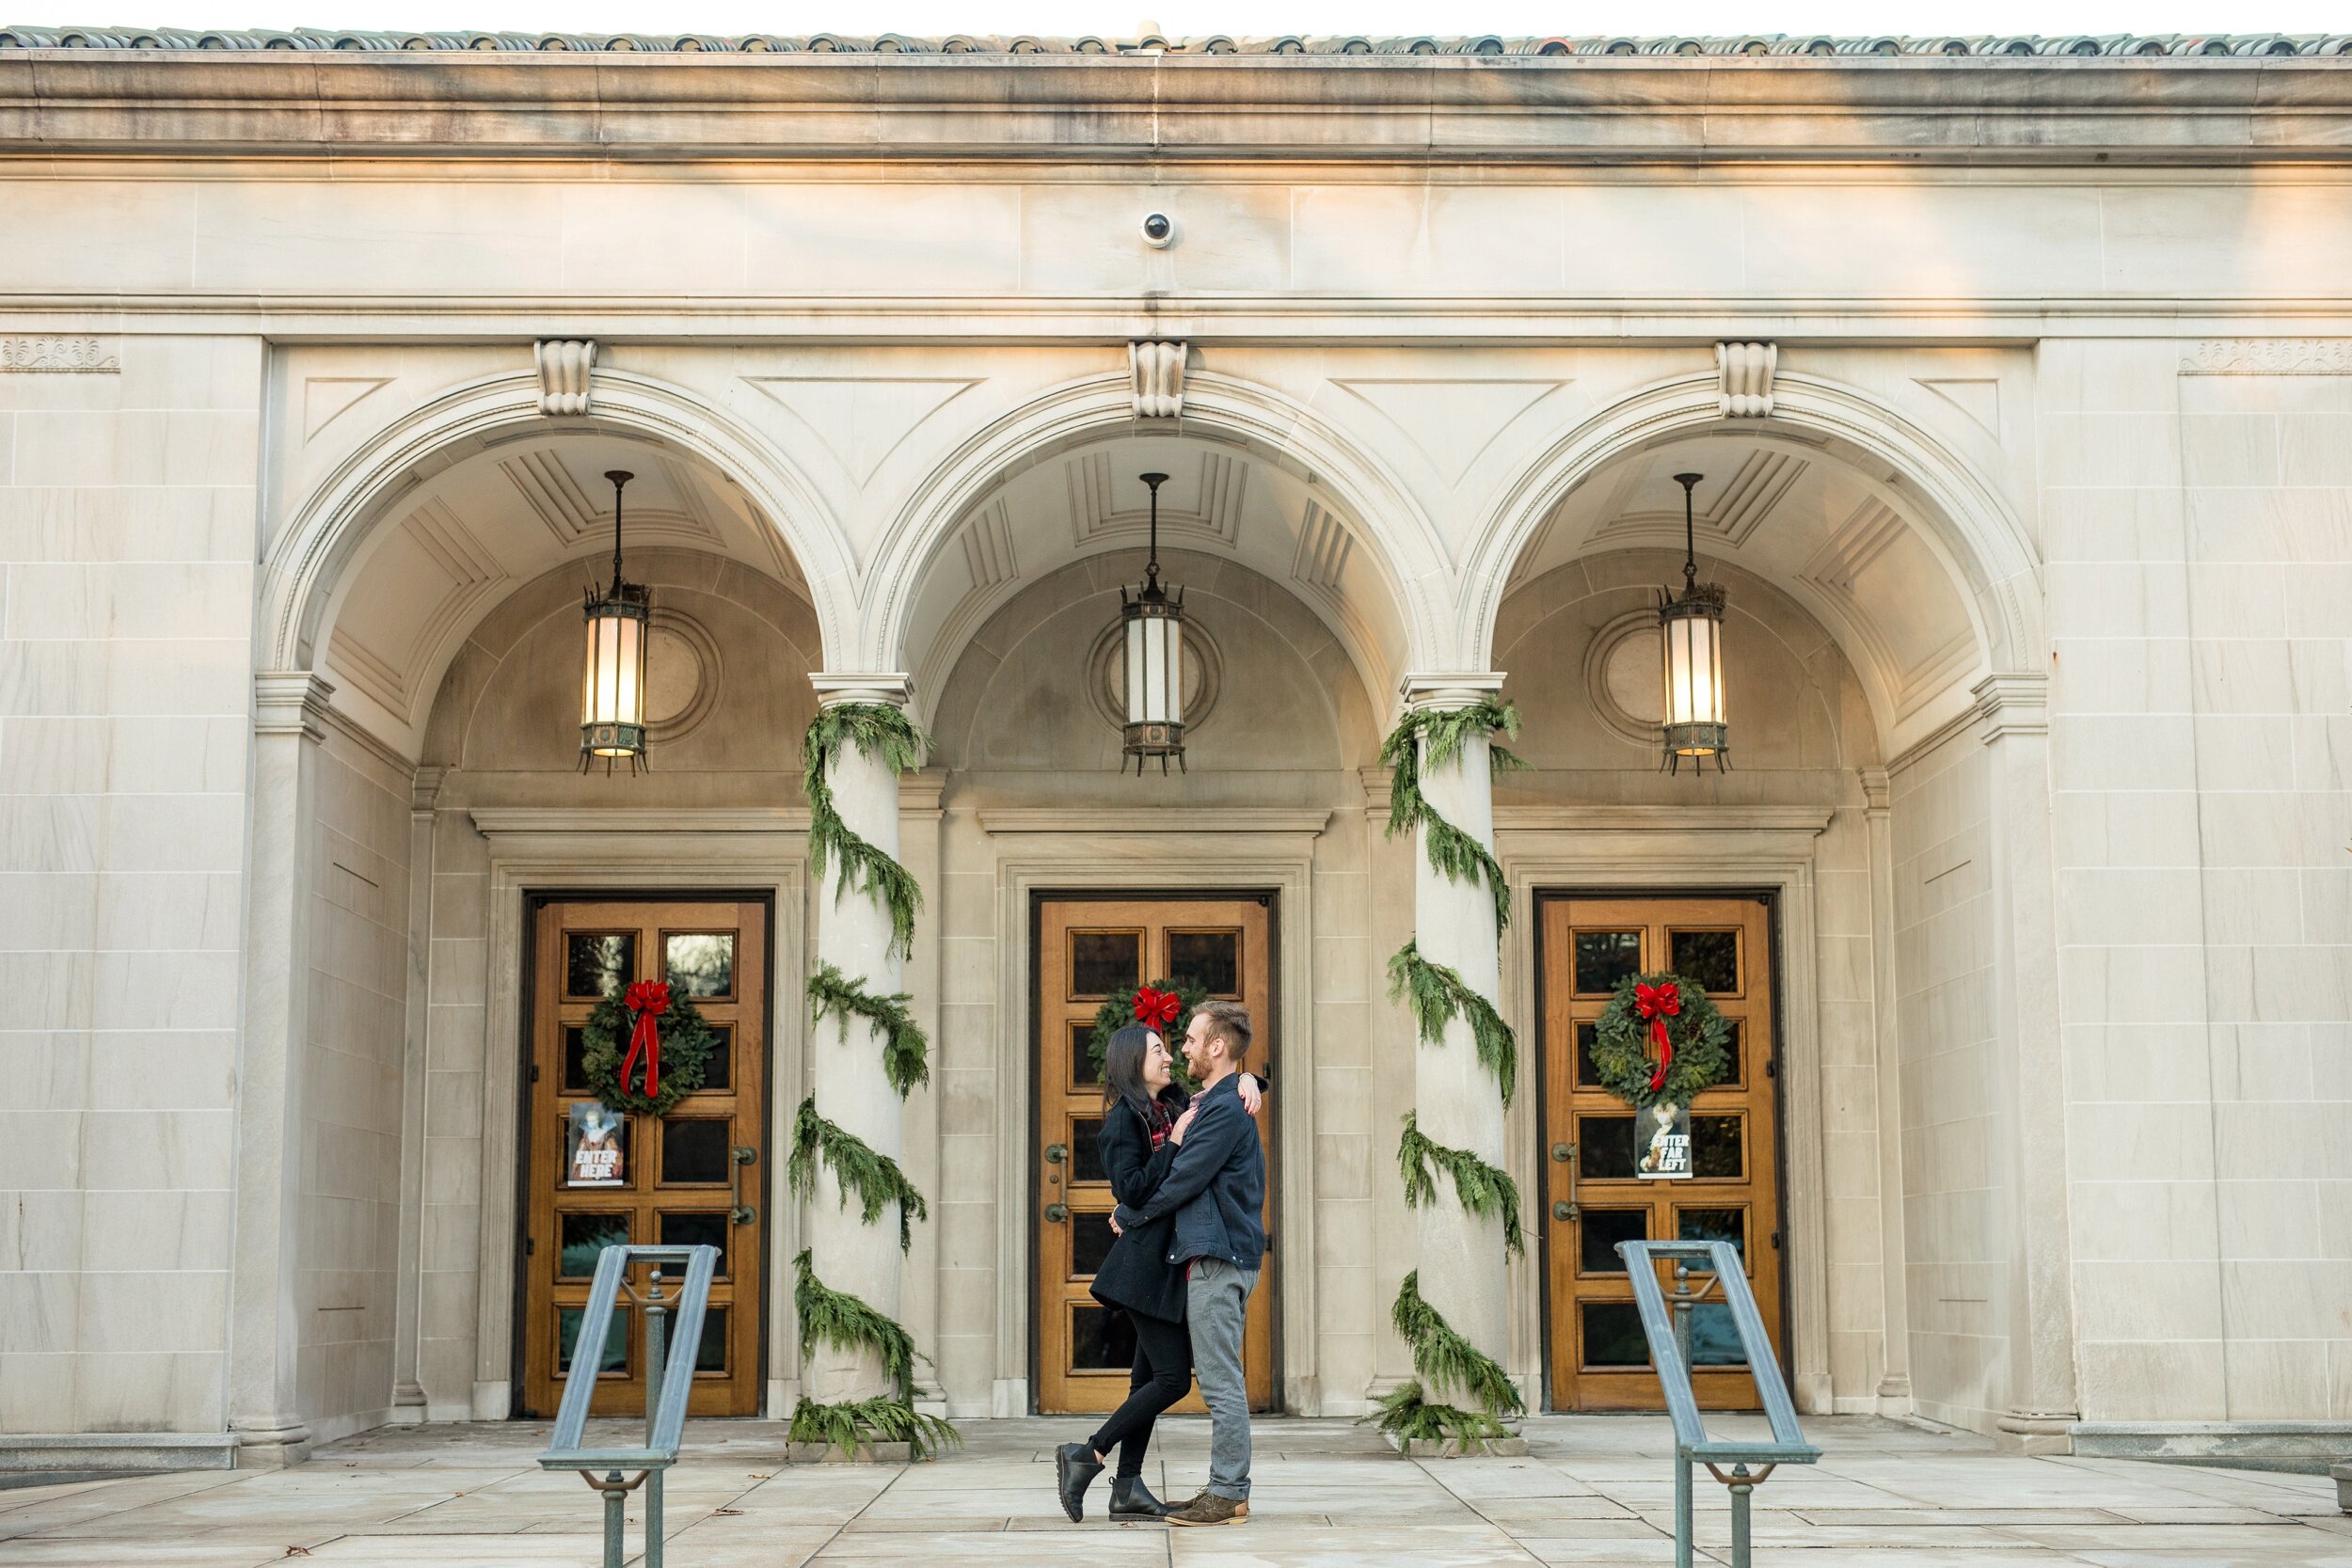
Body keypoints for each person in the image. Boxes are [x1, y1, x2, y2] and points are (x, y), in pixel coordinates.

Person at [1054, 1020, 1263, 1524]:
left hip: (1169, 1263)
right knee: (1170, 1379)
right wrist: (1173, 1147)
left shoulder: (1174, 1105)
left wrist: (1250, 1079)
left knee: (1147, 1379)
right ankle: (1089, 1454)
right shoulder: (1123, 1121)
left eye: (1174, 1047)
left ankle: (1126, 1486)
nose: (1170, 1056)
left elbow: (1224, 1092)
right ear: (1132, 1063)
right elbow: (1133, 1190)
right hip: (1142, 1265)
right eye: (1157, 1051)